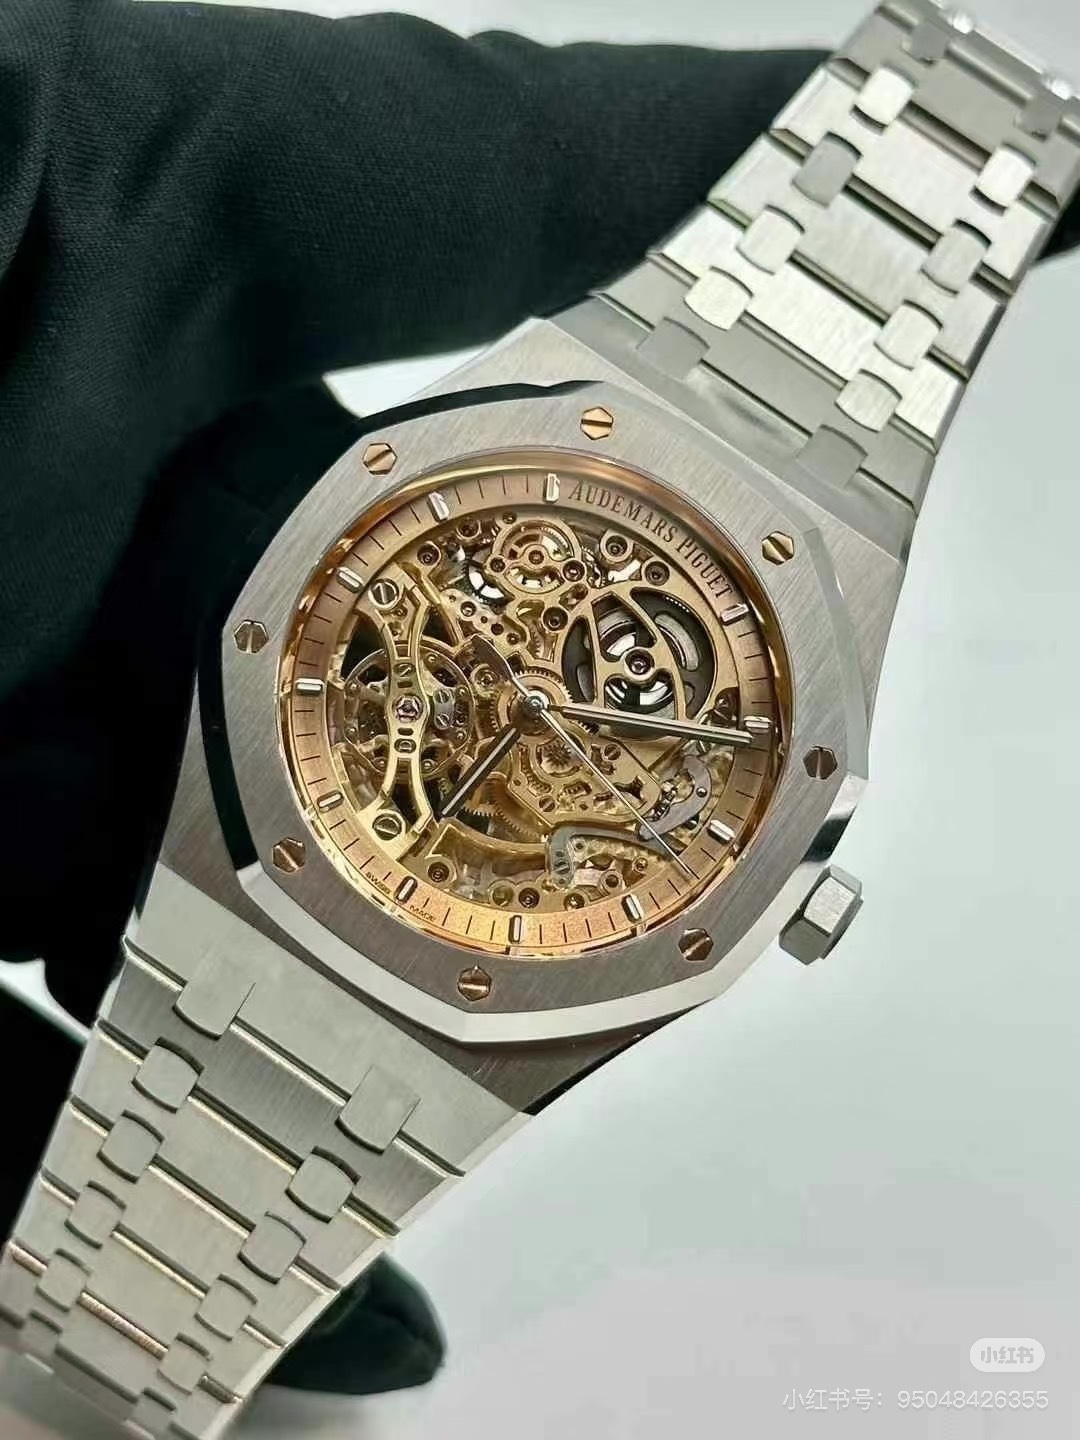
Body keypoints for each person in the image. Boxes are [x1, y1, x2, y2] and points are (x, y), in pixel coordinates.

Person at [1, 0, 1076, 1398]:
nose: (541, 705)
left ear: (779, 886)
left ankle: (117, 1334)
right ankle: (113, 1329)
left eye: (621, 689)